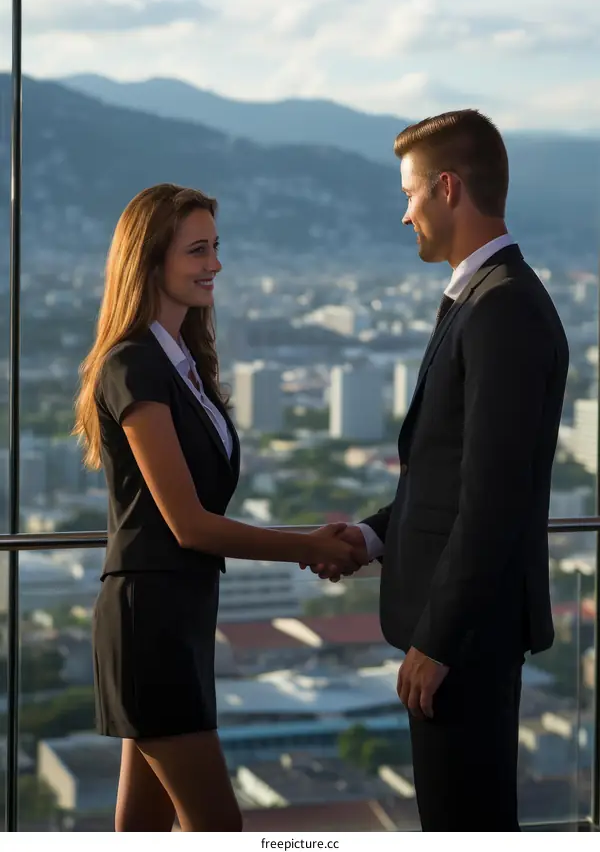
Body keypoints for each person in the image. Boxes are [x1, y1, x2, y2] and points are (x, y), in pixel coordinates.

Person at [306, 110, 569, 831]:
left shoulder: (502, 309)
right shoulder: (486, 299)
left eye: (411, 193)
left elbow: (493, 500)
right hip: (464, 635)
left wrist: (439, 642)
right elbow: (455, 479)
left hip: (466, 642)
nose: (404, 214)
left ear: (448, 188)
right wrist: (372, 535)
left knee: (466, 824)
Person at [73, 183, 361, 832]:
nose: (216, 265)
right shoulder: (133, 366)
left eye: (216, 247)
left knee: (142, 831)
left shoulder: (182, 366)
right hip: (150, 626)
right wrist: (309, 546)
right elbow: (188, 524)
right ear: (149, 260)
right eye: (198, 250)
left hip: (176, 619)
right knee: (218, 829)